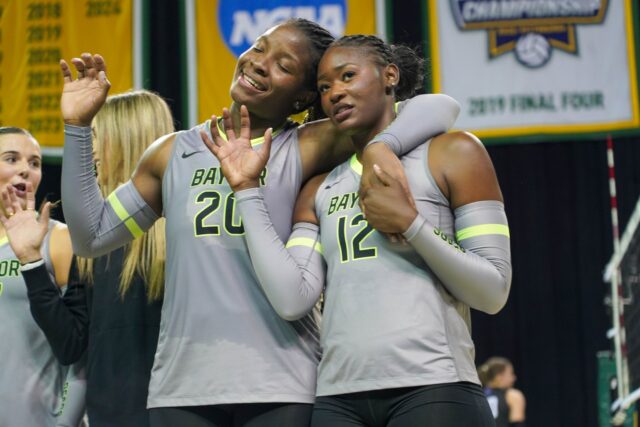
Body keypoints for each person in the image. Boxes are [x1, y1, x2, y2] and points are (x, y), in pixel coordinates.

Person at [59, 19, 460, 426]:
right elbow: (91, 235)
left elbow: (439, 106)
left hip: (282, 384)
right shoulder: (172, 151)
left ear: (304, 96)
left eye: (284, 65)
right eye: (259, 47)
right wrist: (77, 127)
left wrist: (383, 148)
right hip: (182, 386)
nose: (259, 63)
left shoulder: (307, 145)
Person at [205, 35, 512, 426]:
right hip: (338, 398)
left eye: (348, 76)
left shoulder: (454, 153)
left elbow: (493, 291)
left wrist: (411, 225)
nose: (335, 93)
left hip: (434, 385)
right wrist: (247, 190)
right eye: (324, 87)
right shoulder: (319, 187)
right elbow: (291, 299)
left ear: (389, 76)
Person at [7, 91, 173, 426]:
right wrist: (31, 262)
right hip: (108, 415)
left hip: (181, 412)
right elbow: (71, 346)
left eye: (95, 136)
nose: (90, 151)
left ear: (124, 140)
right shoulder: (90, 248)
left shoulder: (184, 237)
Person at [0, 127, 86, 426]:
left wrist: (65, 422)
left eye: (34, 163)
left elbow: (80, 353)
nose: (25, 169)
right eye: (11, 159)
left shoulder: (59, 239)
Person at [478, 357, 526, 427]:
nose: (514, 378)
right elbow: (517, 424)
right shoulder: (513, 396)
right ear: (499, 376)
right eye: (511, 374)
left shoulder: (477, 396)